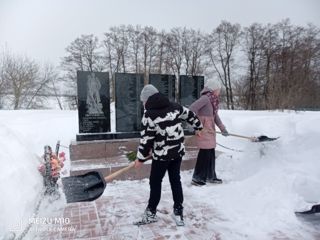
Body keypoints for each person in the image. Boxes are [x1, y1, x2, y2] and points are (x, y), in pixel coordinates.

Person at [134, 84, 203, 226]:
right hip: (177, 152)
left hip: (162, 156)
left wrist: (140, 158)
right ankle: (178, 212)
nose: (143, 103)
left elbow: (146, 140)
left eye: (143, 101)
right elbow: (190, 115)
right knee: (175, 180)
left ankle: (151, 213)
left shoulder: (149, 115)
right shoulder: (175, 106)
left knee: (155, 182)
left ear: (148, 99)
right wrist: (198, 127)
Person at [189, 78, 228, 186]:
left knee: (210, 153)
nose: (219, 92)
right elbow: (191, 109)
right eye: (218, 89)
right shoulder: (206, 98)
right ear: (214, 89)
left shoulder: (213, 100)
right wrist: (198, 125)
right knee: (204, 153)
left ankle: (210, 176)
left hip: (210, 130)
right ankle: (197, 178)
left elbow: (215, 116)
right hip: (204, 130)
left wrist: (223, 129)